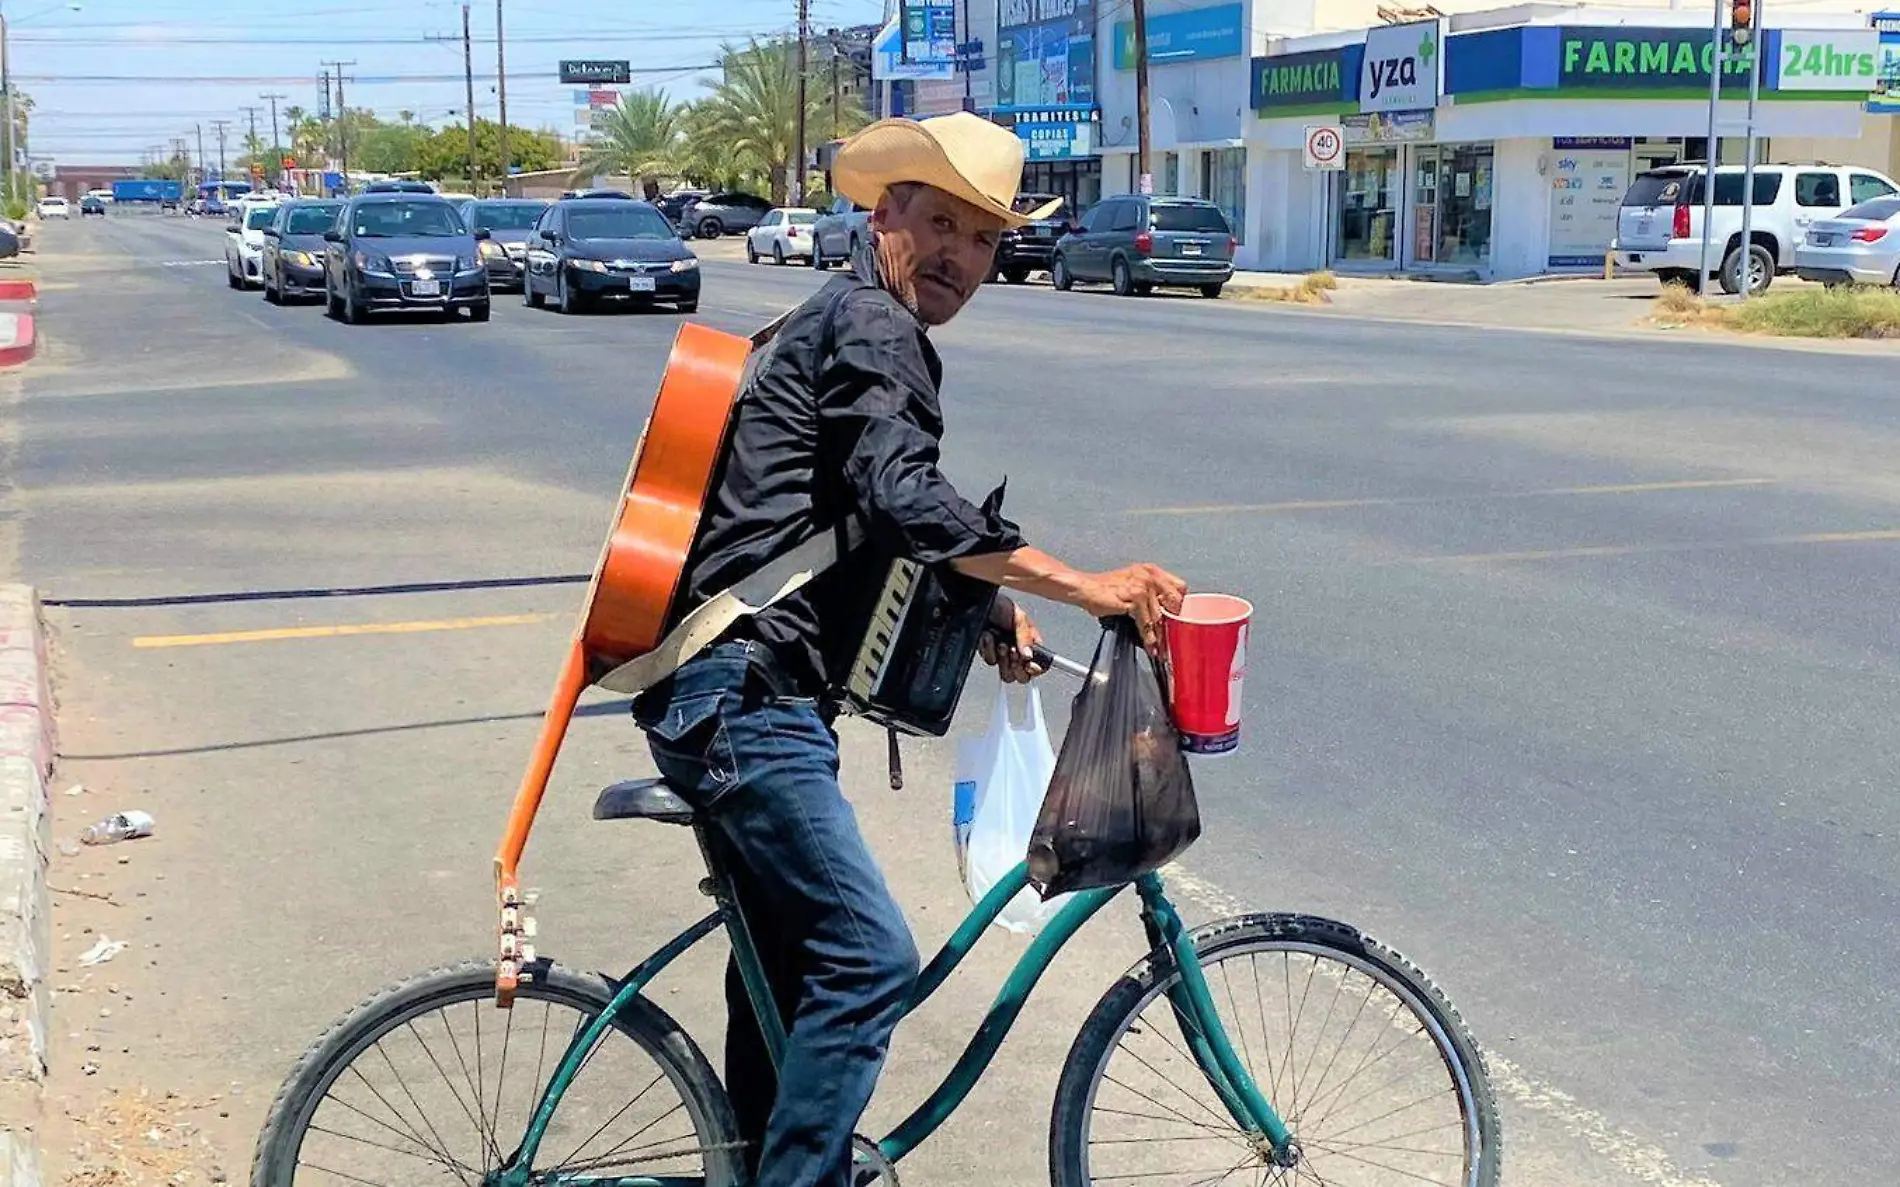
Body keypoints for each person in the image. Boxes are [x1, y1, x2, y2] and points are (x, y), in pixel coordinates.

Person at [632, 111, 1187, 1187]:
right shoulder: (878, 330)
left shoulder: (838, 318)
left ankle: (764, 1162)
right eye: (939, 224)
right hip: (743, 699)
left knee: (790, 979)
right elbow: (900, 491)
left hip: (725, 693)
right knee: (868, 953)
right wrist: (1079, 584)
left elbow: (851, 510)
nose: (960, 259)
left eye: (982, 239)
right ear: (882, 213)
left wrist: (987, 608)